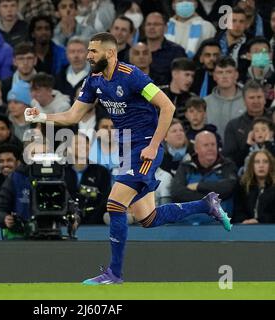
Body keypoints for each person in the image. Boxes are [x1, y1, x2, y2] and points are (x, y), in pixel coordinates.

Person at [24, 32, 232, 285]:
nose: (88, 56)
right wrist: (41, 117)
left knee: (114, 205)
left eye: (93, 51)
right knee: (148, 218)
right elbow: (72, 116)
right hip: (125, 149)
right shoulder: (94, 81)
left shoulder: (131, 75)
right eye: (88, 51)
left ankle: (114, 273)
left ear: (110, 53)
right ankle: (205, 205)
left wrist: (154, 146)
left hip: (144, 146)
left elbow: (167, 106)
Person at [171, 130, 238, 224]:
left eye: (213, 144)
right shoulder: (185, 167)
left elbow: (229, 187)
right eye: (206, 145)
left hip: (219, 227)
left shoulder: (227, 165)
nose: (210, 148)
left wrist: (198, 186)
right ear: (196, 149)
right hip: (187, 227)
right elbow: (177, 192)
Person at [204, 56, 245, 141]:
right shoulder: (205, 103)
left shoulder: (247, 101)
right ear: (214, 76)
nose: (224, 76)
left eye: (228, 72)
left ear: (236, 75)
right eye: (220, 72)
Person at [143, 11, 186, 86]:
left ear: (165, 28)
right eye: (148, 24)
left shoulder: (177, 51)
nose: (151, 27)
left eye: (156, 24)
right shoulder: (135, 50)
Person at [233, 149, 275, 224]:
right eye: (257, 162)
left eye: (265, 162)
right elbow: (238, 211)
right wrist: (244, 220)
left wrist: (259, 221)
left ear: (270, 165)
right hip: (245, 228)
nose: (261, 165)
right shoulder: (242, 186)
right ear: (252, 166)